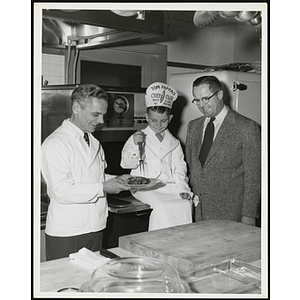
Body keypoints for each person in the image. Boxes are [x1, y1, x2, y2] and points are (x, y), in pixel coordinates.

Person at [41, 84, 130, 260]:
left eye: (103, 115)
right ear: (76, 108)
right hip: (68, 231)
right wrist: (104, 187)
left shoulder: (94, 142)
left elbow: (94, 177)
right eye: (95, 114)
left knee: (92, 283)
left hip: (95, 226)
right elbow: (62, 191)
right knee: (67, 284)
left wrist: (120, 180)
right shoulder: (56, 144)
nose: (101, 121)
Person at [185, 75, 261, 226]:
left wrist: (249, 214)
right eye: (197, 100)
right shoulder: (193, 126)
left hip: (231, 214)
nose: (201, 105)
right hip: (196, 211)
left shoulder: (246, 127)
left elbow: (254, 176)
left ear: (220, 95)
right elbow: (188, 167)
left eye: (206, 98)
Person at [121, 82, 194, 231]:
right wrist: (135, 146)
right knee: (161, 207)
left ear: (171, 118)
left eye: (163, 121)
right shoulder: (137, 137)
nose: (158, 125)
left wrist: (183, 189)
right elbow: (126, 164)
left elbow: (180, 168)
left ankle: (182, 244)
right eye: (154, 120)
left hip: (169, 185)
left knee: (185, 204)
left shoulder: (174, 142)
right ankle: (158, 244)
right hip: (145, 187)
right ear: (147, 117)